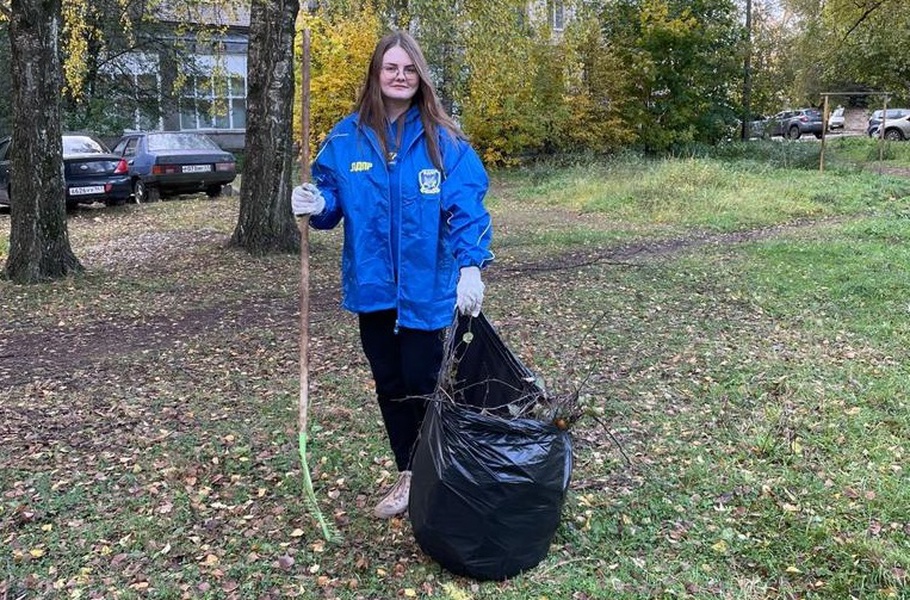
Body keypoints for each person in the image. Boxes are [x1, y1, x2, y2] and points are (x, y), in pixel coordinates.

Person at [291, 31, 493, 519]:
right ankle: (409, 472)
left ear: (420, 76)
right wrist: (316, 204)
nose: (400, 77)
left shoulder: (446, 141)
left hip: (427, 286)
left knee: (424, 379)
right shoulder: (344, 139)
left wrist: (470, 265)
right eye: (390, 69)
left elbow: (466, 207)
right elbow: (332, 201)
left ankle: (440, 471)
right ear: (376, 76)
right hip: (373, 284)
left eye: (408, 69)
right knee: (389, 381)